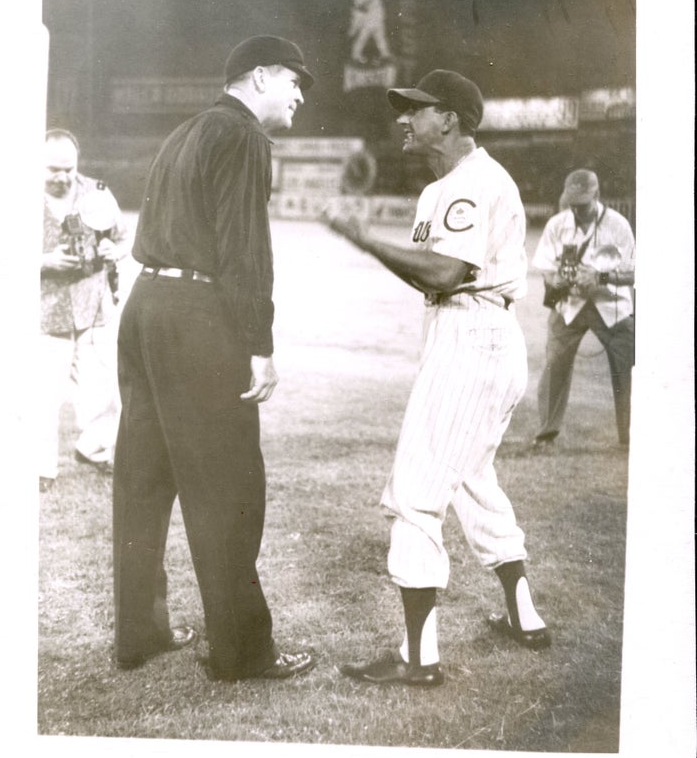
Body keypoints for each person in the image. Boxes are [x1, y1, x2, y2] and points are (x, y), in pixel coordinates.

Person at [325, 69, 550, 689]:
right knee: (473, 480)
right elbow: (433, 276)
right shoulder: (439, 189)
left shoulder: (475, 182)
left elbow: (447, 274)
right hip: (473, 335)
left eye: (417, 110)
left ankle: (417, 659)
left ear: (449, 118)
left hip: (472, 336)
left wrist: (364, 239)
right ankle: (524, 617)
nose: (404, 119)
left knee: (416, 492)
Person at [112, 36, 317, 681]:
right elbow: (244, 249)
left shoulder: (187, 132)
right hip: (197, 319)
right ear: (258, 77)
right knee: (228, 487)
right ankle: (243, 652)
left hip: (146, 308)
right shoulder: (245, 137)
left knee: (142, 481)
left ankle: (140, 634)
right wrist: (260, 346)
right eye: (294, 82)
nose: (300, 96)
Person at [40, 128, 127, 492]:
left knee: (105, 388)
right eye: (52, 169)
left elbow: (122, 237)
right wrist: (44, 261)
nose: (62, 177)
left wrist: (114, 252)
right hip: (45, 310)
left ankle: (95, 449)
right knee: (42, 391)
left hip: (93, 305)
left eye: (68, 168)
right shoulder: (14, 195)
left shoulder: (97, 193)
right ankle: (40, 467)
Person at [532, 169, 635, 448]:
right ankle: (545, 435)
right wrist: (557, 279)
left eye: (583, 204)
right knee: (554, 365)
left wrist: (600, 277)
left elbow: (634, 273)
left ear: (597, 196)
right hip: (570, 306)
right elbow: (545, 266)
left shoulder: (618, 225)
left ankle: (630, 439)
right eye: (572, 203)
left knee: (626, 369)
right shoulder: (558, 223)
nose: (576, 210)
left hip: (611, 306)